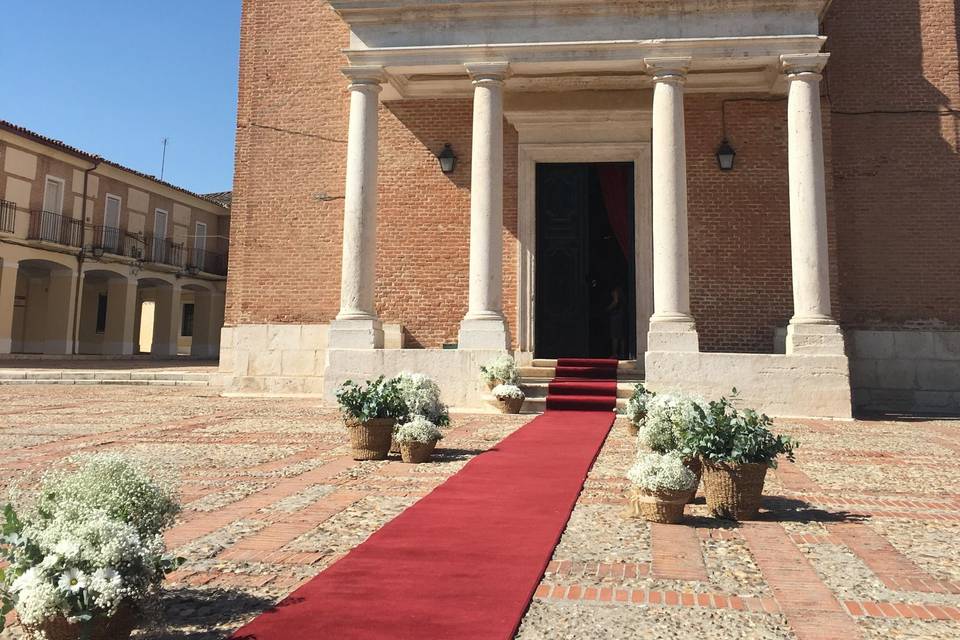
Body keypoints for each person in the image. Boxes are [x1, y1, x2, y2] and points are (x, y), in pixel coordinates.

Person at [606, 283, 625, 359]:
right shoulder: (622, 293)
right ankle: (622, 353)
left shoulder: (615, 291)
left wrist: (608, 309)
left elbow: (615, 301)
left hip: (616, 317)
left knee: (615, 336)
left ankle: (615, 353)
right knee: (622, 336)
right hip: (622, 316)